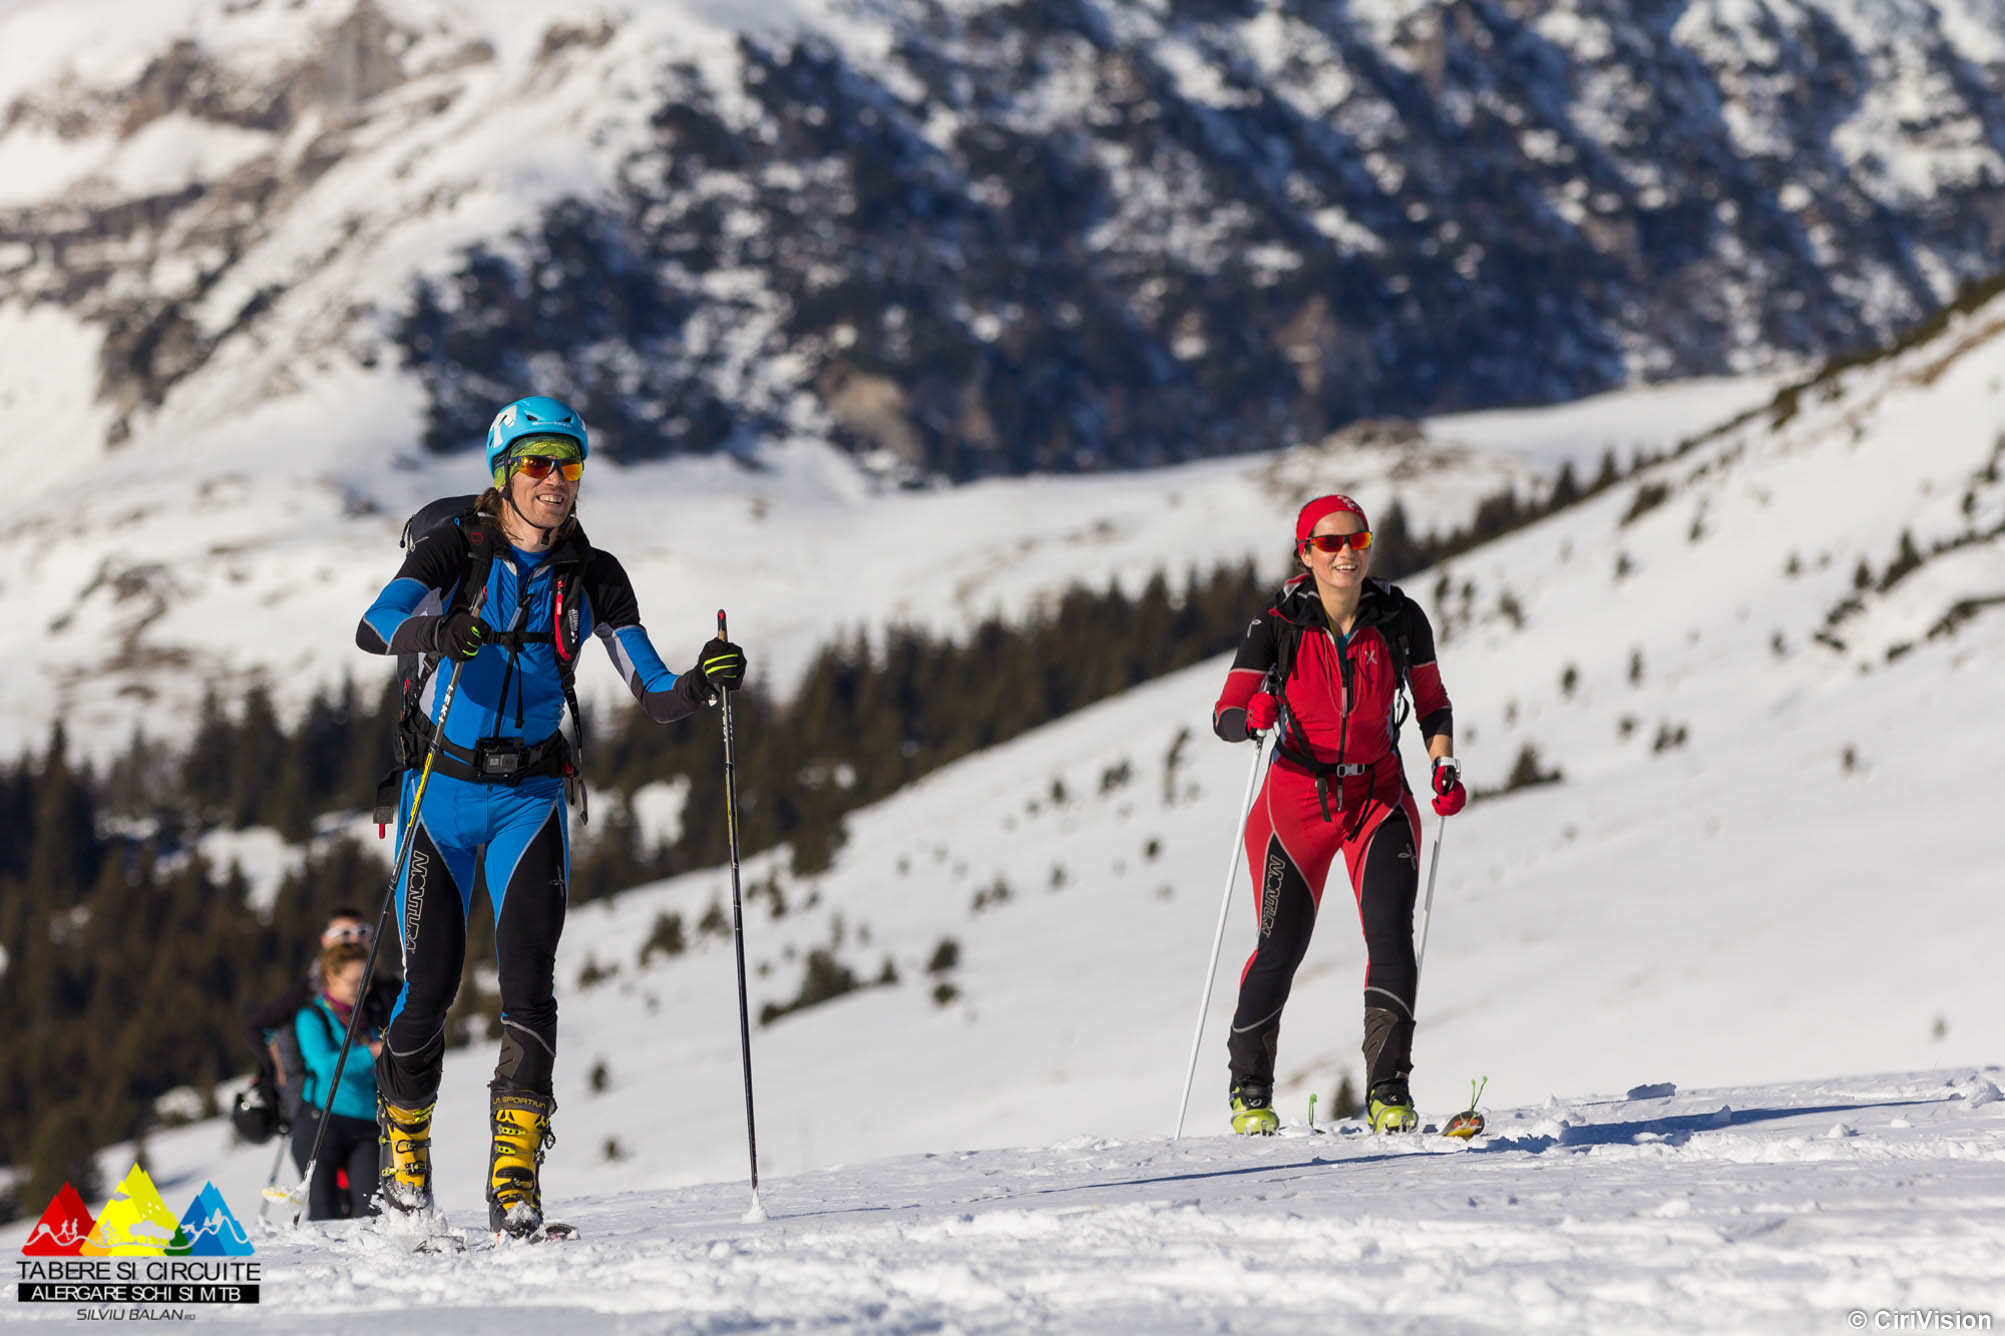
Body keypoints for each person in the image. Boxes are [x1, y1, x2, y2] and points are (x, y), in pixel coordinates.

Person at [354, 394, 746, 1235]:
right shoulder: (455, 548)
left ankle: (514, 1184)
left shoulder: (593, 576)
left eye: (568, 465)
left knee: (530, 986)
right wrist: (439, 631)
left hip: (529, 800)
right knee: (429, 985)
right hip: (439, 794)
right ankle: (406, 1166)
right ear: (503, 473)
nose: (554, 481)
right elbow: (374, 625)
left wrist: (702, 682)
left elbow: (654, 692)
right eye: (536, 463)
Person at [1211, 494, 1467, 1135]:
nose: (1345, 553)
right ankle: (1250, 1091)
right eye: (1329, 543)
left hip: (1377, 796)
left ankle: (1389, 1091)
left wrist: (1442, 764)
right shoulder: (1277, 623)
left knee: (1389, 935)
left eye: (1357, 540)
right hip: (1294, 801)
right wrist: (1253, 719)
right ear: (1305, 552)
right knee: (1280, 947)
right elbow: (1225, 713)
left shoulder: (1400, 618)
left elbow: (1433, 703)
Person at [243, 910, 399, 1141]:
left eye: (362, 932)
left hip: (372, 1105)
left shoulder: (383, 986)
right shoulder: (307, 991)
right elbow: (257, 1027)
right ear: (326, 940)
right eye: (344, 933)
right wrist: (273, 1074)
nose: (354, 939)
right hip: (316, 1104)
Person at [290, 939, 384, 1220]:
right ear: (331, 976)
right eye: (355, 981)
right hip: (323, 1122)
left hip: (368, 1123)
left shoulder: (371, 1014)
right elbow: (324, 1064)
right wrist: (371, 1053)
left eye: (367, 981)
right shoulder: (312, 1016)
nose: (364, 989)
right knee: (325, 1211)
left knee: (372, 1211)